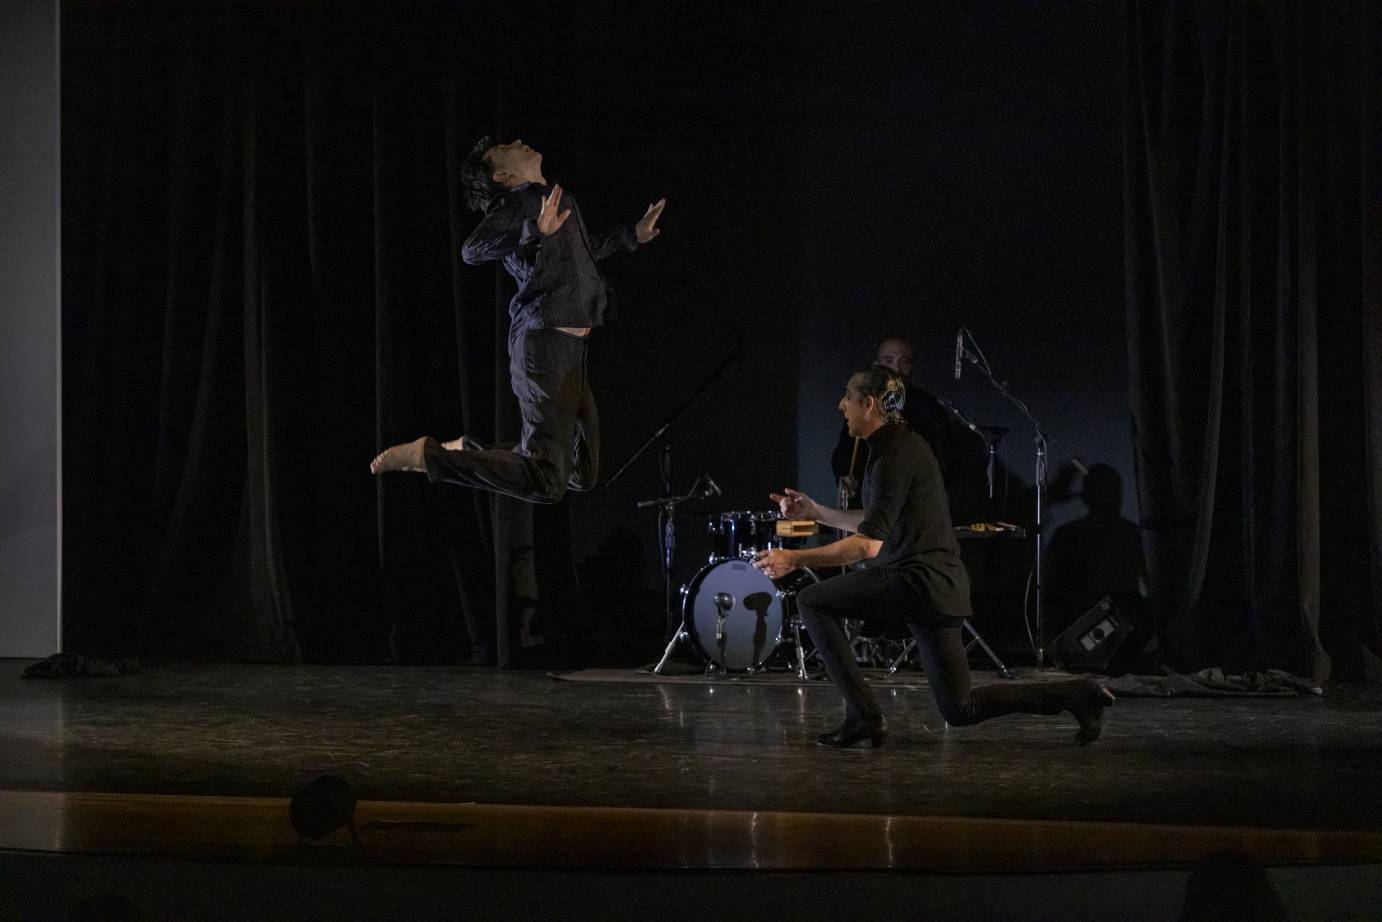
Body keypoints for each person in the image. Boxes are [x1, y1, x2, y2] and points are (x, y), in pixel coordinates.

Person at [753, 365, 1114, 748]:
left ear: (869, 404)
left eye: (848, 397)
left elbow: (868, 545)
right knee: (961, 709)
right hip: (932, 586)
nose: (841, 405)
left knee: (812, 600)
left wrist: (795, 558)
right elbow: (877, 521)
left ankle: (864, 717)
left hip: (917, 583)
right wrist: (818, 512)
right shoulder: (898, 446)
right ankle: (1078, 693)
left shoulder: (894, 456)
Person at [370, 135, 666, 503]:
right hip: (543, 347)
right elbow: (472, 250)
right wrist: (533, 231)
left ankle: (467, 449)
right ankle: (431, 458)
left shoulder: (552, 200)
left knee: (582, 472)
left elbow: (584, 252)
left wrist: (631, 235)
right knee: (547, 481)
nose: (520, 142)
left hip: (570, 349)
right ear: (503, 176)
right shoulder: (517, 203)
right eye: (508, 147)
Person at [830, 336, 950, 502]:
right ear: (876, 366)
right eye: (889, 360)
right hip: (867, 504)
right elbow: (844, 454)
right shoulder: (862, 405)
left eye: (904, 362)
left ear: (912, 367)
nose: (897, 369)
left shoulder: (929, 407)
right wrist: (845, 477)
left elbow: (941, 458)